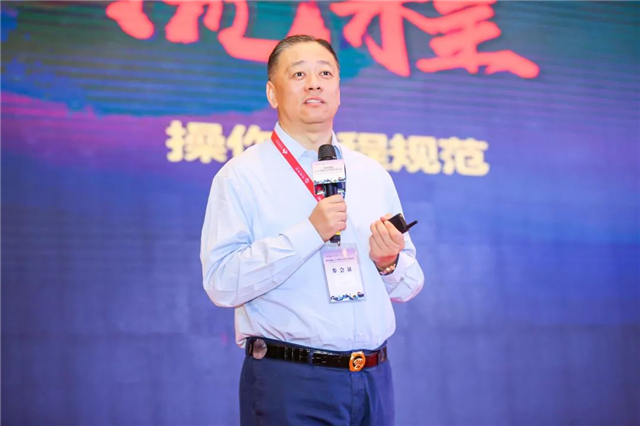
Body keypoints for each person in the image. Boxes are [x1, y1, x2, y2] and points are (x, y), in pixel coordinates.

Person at [200, 35, 424, 425]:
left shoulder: (371, 174)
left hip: (372, 378)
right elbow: (221, 283)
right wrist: (309, 233)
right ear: (273, 93)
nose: (314, 84)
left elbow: (409, 283)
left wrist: (388, 262)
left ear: (338, 91)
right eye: (299, 74)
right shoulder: (241, 177)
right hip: (290, 381)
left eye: (325, 74)